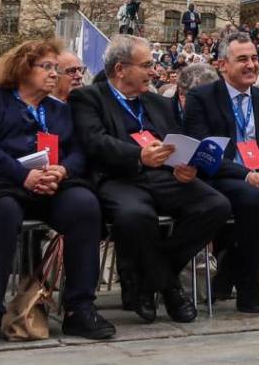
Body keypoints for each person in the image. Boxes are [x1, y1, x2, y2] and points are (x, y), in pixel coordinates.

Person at [0, 40, 114, 352]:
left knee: (84, 205)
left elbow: (80, 150)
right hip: (4, 181)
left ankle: (79, 308)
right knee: (1, 212)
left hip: (50, 183)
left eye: (58, 68)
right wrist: (21, 173)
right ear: (24, 69)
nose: (55, 74)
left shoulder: (58, 110)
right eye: (48, 67)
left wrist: (64, 171)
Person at [70, 35, 231, 322]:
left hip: (163, 175)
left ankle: (149, 282)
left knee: (215, 204)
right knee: (135, 216)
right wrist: (138, 155)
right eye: (146, 65)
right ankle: (169, 288)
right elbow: (95, 142)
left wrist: (183, 166)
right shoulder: (89, 97)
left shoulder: (158, 102)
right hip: (119, 177)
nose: (153, 70)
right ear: (121, 69)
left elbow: (175, 140)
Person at [183, 33, 259, 314]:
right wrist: (245, 174)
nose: (251, 65)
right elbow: (202, 150)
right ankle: (249, 287)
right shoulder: (201, 97)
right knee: (253, 199)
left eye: (254, 58)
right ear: (222, 65)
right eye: (242, 59)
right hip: (223, 176)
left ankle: (231, 267)